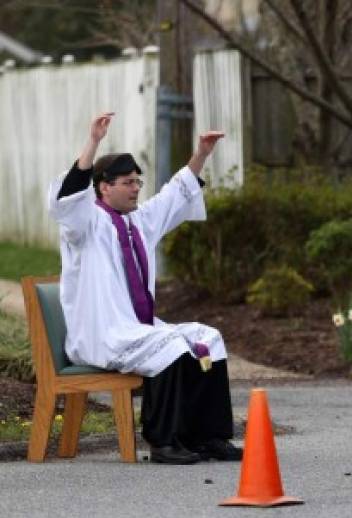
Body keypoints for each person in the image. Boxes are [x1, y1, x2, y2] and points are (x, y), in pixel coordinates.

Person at [47, 111, 241, 465]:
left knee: (207, 338)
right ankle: (164, 442)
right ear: (104, 186)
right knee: (167, 345)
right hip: (99, 335)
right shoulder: (83, 226)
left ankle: (207, 437)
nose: (137, 188)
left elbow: (174, 194)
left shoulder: (139, 221)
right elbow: (69, 196)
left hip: (135, 330)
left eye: (138, 181)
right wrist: (93, 141)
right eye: (128, 183)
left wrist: (201, 154)